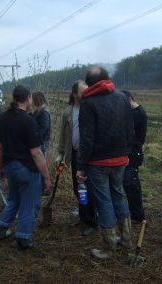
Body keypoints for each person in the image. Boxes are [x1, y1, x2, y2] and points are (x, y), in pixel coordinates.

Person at [76, 67, 133, 259]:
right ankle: (126, 239)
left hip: (98, 161)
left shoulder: (88, 102)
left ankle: (109, 246)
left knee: (104, 200)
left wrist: (81, 166)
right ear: (106, 79)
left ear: (90, 84)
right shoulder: (121, 97)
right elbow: (129, 129)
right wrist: (127, 153)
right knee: (118, 195)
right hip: (120, 159)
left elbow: (87, 137)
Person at [0, 85, 52, 250]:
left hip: (10, 167)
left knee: (14, 198)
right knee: (29, 203)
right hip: (27, 170)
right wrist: (46, 177)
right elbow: (36, 153)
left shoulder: (1, 118)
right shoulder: (28, 121)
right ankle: (23, 238)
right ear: (28, 98)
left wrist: (0, 167)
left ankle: (2, 229)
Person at [55, 80, 97, 236]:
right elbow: (63, 134)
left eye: (88, 90)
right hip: (74, 154)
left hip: (88, 156)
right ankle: (83, 215)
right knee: (77, 188)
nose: (86, 93)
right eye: (83, 91)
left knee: (88, 189)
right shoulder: (68, 112)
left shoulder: (91, 108)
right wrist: (61, 153)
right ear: (74, 94)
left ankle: (92, 222)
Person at [121, 90, 147, 223]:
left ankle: (137, 214)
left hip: (133, 153)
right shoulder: (133, 113)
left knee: (132, 183)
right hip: (130, 152)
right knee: (128, 183)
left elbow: (130, 134)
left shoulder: (138, 114)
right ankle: (134, 212)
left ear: (130, 99)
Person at [32, 91, 51, 157]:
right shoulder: (38, 111)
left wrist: (35, 137)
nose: (32, 101)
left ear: (37, 100)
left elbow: (44, 128)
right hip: (39, 141)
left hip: (42, 142)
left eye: (33, 99)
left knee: (41, 162)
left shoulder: (44, 112)